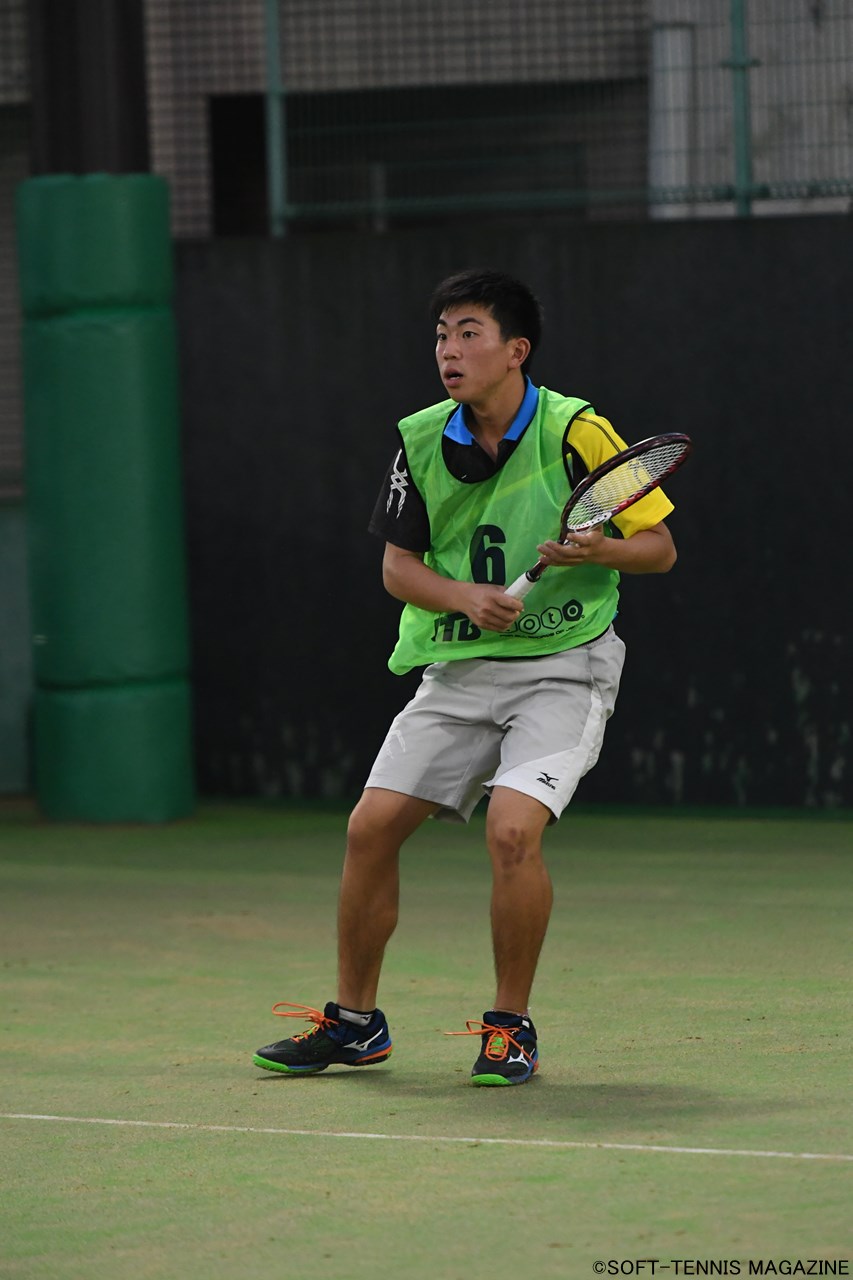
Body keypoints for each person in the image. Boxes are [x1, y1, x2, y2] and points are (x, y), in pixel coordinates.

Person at [253, 268, 677, 1086]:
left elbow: (658, 549)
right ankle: (353, 1025)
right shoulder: (419, 440)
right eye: (442, 334)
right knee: (369, 828)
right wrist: (464, 598)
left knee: (512, 830)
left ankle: (509, 1028)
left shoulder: (576, 431)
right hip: (458, 670)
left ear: (514, 350)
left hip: (562, 665)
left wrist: (600, 548)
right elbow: (397, 569)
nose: (449, 350)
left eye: (469, 333)